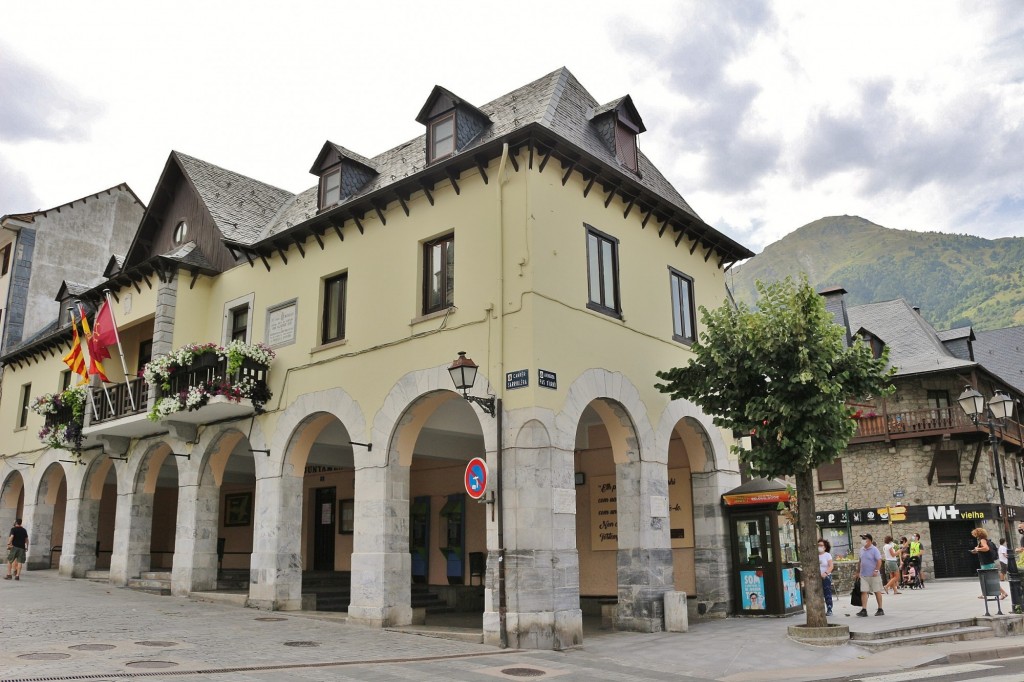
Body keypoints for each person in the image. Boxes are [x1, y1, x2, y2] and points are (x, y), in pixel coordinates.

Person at [971, 527, 1006, 600]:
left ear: (978, 534)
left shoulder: (982, 540)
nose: (974, 535)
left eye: (975, 534)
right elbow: (981, 550)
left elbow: (986, 548)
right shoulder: (984, 540)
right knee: (986, 579)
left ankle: (1003, 593)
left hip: (986, 563)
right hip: (988, 562)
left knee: (990, 580)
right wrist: (976, 550)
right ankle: (984, 594)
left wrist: (978, 549)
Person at [855, 533, 884, 616]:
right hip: (864, 575)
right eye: (862, 538)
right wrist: (858, 572)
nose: (863, 540)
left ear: (870, 540)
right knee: (864, 591)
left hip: (873, 575)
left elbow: (879, 561)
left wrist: (876, 570)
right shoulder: (861, 550)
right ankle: (864, 609)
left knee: (876, 591)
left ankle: (880, 608)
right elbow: (860, 561)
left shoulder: (874, 549)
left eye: (865, 538)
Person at [819, 538, 835, 616]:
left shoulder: (827, 555)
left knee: (827, 592)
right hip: (817, 577)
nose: (819, 547)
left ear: (825, 547)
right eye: (818, 545)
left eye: (821, 545)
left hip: (826, 576)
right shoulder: (815, 555)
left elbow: (831, 566)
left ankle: (829, 608)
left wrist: (825, 573)